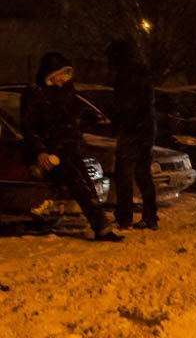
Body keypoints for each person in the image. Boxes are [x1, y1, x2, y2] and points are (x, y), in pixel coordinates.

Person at [20, 52, 122, 241]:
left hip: (68, 148)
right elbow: (28, 127)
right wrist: (40, 151)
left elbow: (74, 120)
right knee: (78, 183)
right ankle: (102, 228)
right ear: (50, 73)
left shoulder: (67, 92)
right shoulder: (34, 93)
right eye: (61, 74)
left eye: (67, 75)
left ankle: (101, 223)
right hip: (51, 152)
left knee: (88, 185)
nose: (64, 79)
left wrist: (84, 122)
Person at [108, 39, 158, 229]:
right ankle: (150, 217)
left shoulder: (127, 74)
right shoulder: (141, 71)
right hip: (145, 129)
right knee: (143, 174)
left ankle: (124, 216)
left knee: (124, 174)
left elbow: (125, 105)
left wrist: (118, 124)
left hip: (133, 130)